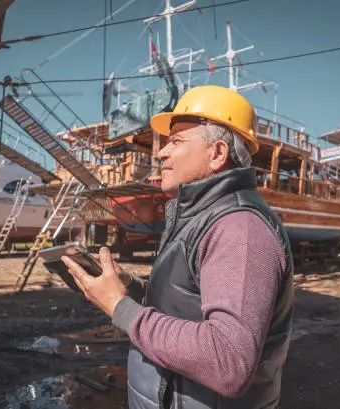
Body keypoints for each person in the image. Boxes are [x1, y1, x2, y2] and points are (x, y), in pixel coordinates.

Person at [61, 85, 294, 409]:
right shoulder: (203, 218)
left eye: (176, 141)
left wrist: (121, 308)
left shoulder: (239, 229)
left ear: (217, 154)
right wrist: (130, 289)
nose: (161, 153)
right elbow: (190, 304)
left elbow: (228, 363)